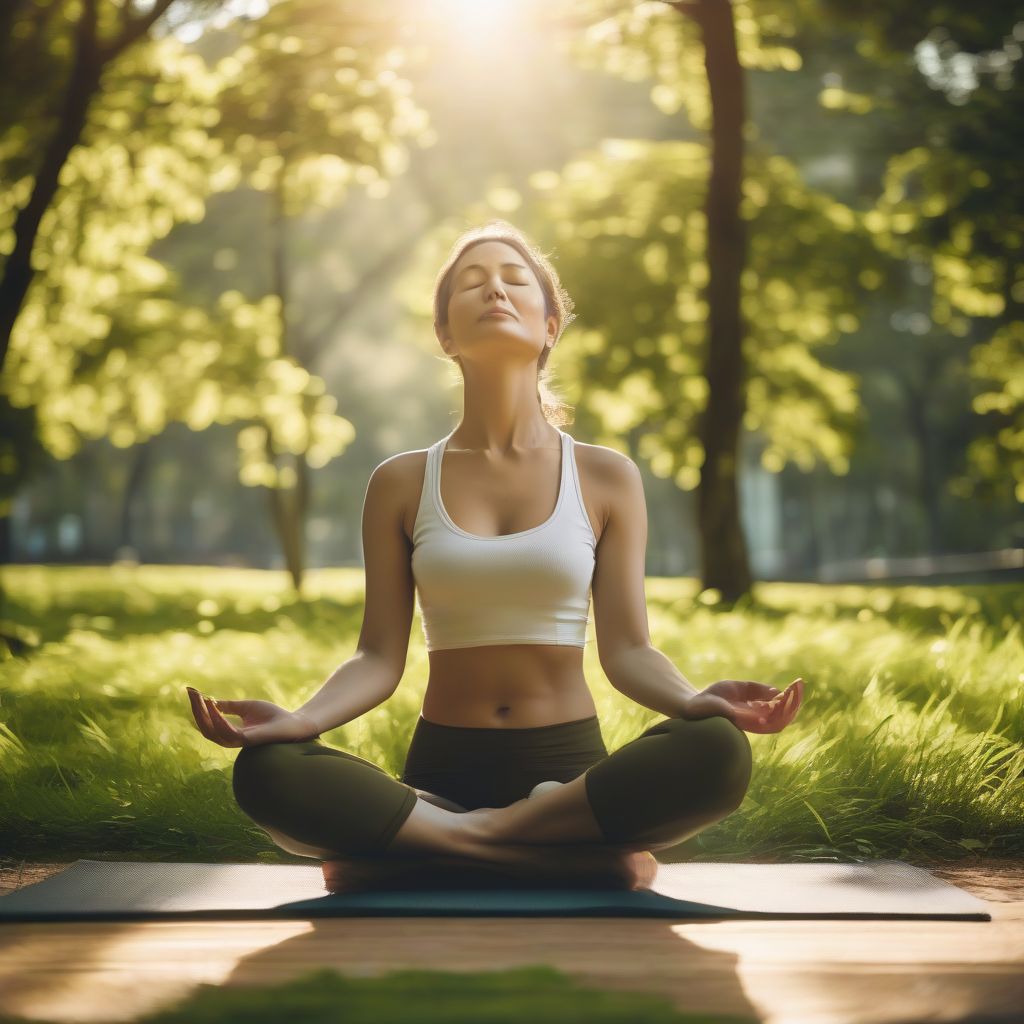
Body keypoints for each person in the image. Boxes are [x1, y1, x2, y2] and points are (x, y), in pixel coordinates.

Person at [186, 220, 805, 892]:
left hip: (569, 776)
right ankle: (550, 853)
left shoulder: (605, 477)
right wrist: (301, 720)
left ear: (549, 326)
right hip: (441, 775)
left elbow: (627, 650)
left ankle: (437, 847)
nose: (495, 290)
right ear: (446, 336)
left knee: (716, 751)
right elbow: (377, 658)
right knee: (267, 771)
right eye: (471, 283)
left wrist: (692, 700)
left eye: (516, 280)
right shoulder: (400, 482)